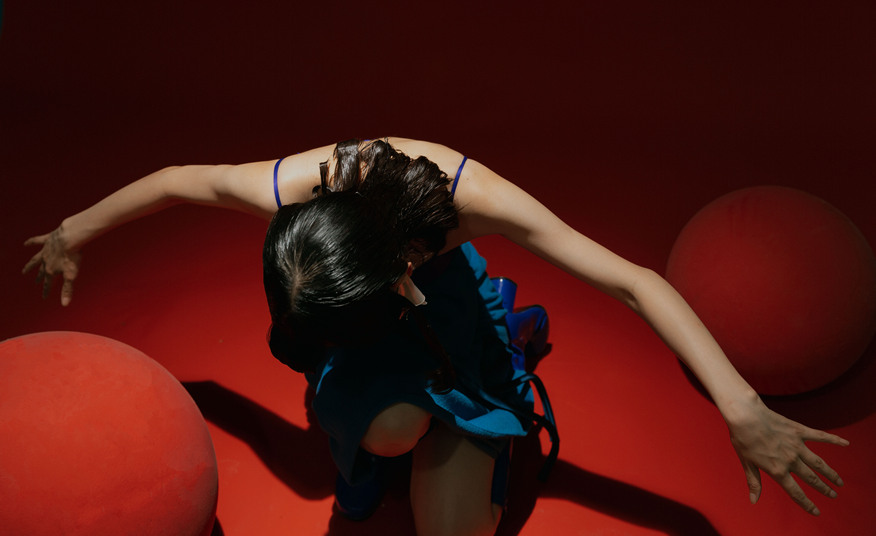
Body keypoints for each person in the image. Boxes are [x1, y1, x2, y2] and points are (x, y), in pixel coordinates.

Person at [23, 137, 848, 536]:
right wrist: (73, 231)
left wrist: (741, 407)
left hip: (449, 323)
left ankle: (496, 361)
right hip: (365, 322)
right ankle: (363, 441)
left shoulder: (470, 197)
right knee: (386, 430)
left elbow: (634, 280)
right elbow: (178, 181)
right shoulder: (298, 191)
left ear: (401, 273)